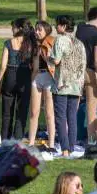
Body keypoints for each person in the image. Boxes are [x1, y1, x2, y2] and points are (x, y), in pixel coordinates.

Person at [50, 14, 87, 158]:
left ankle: (64, 149)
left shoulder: (60, 40)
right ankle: (71, 148)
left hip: (62, 85)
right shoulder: (79, 43)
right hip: (76, 85)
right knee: (72, 117)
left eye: (57, 24)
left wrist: (49, 58)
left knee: (60, 117)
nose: (55, 27)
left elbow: (57, 60)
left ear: (64, 26)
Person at [0, 18, 35, 140]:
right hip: (25, 76)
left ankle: (5, 140)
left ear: (19, 29)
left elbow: (3, 66)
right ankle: (17, 140)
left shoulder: (8, 43)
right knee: (22, 112)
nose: (12, 29)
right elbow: (34, 65)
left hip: (10, 76)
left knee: (7, 113)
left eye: (13, 27)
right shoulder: (30, 43)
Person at [76, 6, 97, 144]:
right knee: (92, 109)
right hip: (90, 72)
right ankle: (91, 140)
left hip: (76, 72)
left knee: (73, 108)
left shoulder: (80, 28)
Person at [27, 20, 57, 152]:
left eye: (40, 30)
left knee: (49, 113)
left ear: (46, 31)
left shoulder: (51, 42)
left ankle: (51, 145)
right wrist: (32, 80)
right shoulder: (35, 45)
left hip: (49, 78)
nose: (36, 32)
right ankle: (31, 143)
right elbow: (34, 66)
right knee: (34, 112)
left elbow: (55, 62)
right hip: (37, 78)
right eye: (36, 29)